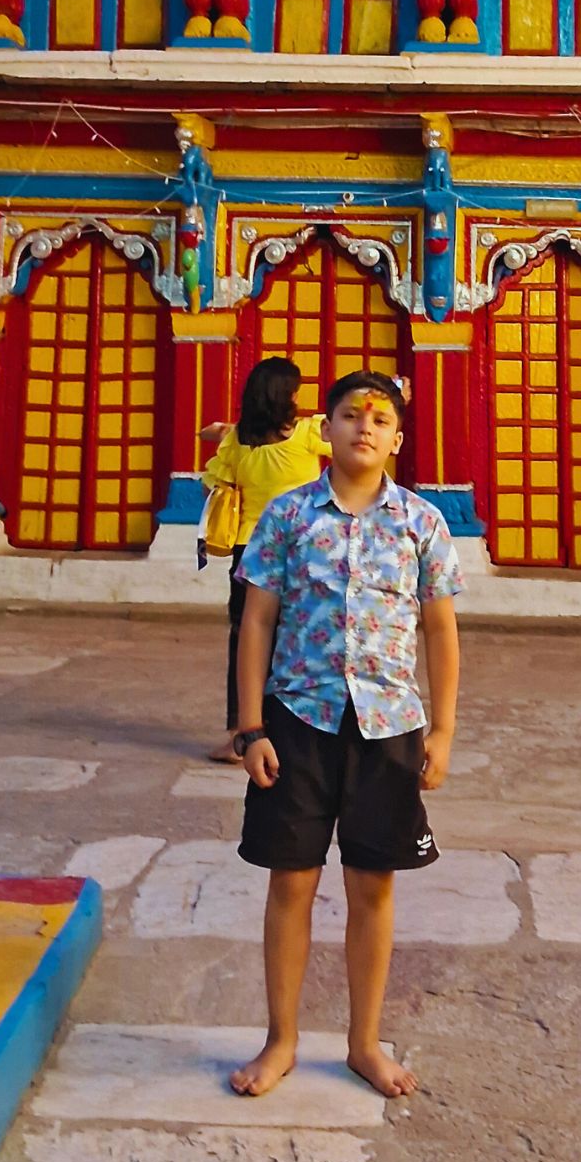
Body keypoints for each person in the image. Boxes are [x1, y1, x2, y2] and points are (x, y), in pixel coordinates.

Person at [228, 368, 463, 1101]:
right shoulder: (289, 519)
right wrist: (249, 728)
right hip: (299, 722)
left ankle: (364, 1042)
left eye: (381, 417)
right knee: (291, 883)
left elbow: (440, 630)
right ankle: (282, 1039)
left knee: (373, 888)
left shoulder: (422, 523)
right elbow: (257, 619)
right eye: (350, 414)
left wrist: (445, 731)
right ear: (321, 430)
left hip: (388, 727)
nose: (366, 426)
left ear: (397, 437)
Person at [200, 357, 330, 763]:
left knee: (246, 639)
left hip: (249, 550)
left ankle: (243, 733)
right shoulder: (310, 433)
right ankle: (302, 730)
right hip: (302, 547)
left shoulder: (237, 440)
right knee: (305, 637)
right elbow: (347, 434)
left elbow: (213, 468)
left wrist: (224, 431)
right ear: (287, 397)